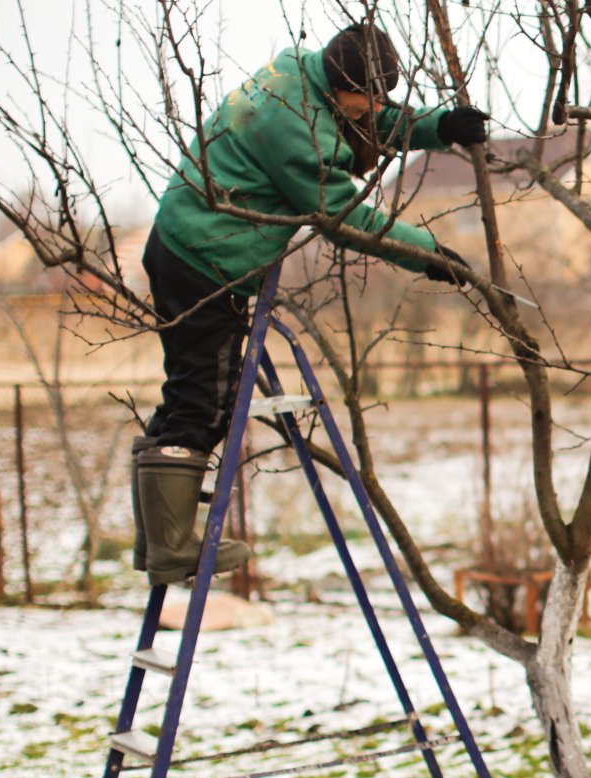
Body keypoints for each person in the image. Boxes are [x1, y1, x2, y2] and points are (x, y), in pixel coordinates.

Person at [133, 22, 491, 584]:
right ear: (340, 82)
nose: (375, 107)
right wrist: (427, 254)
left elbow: (363, 123)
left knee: (188, 389)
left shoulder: (305, 72)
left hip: (186, 242)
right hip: (206, 261)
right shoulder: (295, 131)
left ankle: (155, 540)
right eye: (368, 97)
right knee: (204, 399)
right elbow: (346, 218)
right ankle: (172, 548)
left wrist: (438, 126)